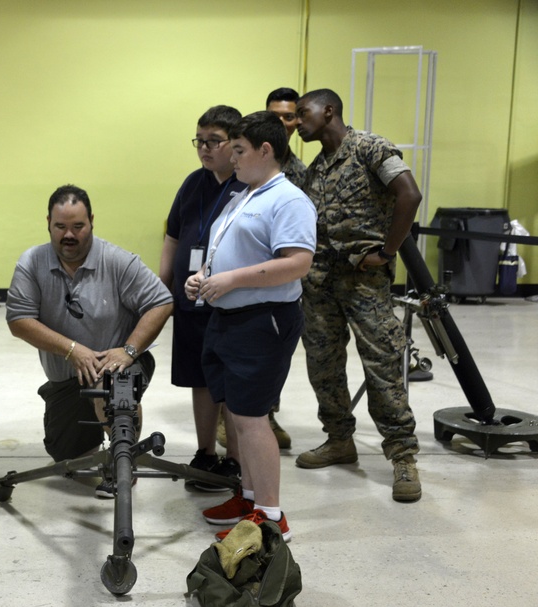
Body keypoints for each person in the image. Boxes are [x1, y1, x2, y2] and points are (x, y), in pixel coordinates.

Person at [185, 111, 316, 541]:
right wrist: (204, 277)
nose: (231, 157)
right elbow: (230, 249)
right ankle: (249, 496)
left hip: (262, 321)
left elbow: (297, 263)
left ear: (266, 150)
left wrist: (230, 280)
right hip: (227, 317)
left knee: (253, 417)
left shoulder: (289, 199)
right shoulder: (244, 194)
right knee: (237, 415)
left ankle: (271, 516)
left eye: (238, 150)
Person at [292, 88, 423, 503]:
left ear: (328, 110)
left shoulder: (371, 148)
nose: (297, 121)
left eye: (303, 112)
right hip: (320, 284)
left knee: (382, 364)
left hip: (364, 280)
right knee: (323, 364)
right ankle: (338, 440)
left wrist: (387, 250)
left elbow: (410, 194)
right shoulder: (316, 169)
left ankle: (402, 455)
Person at [6, 185, 173, 497]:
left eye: (78, 226)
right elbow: (18, 320)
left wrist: (128, 350)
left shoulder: (118, 261)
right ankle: (96, 435)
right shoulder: (32, 262)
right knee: (66, 456)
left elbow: (161, 301)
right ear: (48, 223)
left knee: (109, 385)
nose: (69, 235)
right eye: (61, 227)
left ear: (92, 222)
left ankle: (124, 461)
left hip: (121, 363)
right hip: (67, 378)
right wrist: (71, 350)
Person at [158, 106, 246, 492]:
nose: (205, 149)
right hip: (190, 300)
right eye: (200, 141)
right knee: (200, 378)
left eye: (214, 142)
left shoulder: (249, 186)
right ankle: (205, 452)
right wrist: (163, 284)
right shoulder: (194, 182)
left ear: (235, 144)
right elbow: (174, 235)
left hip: (230, 301)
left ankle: (236, 461)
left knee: (230, 382)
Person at [266, 87, 307, 188]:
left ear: (297, 121)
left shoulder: (301, 174)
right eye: (274, 116)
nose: (280, 123)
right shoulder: (243, 157)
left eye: (288, 117)